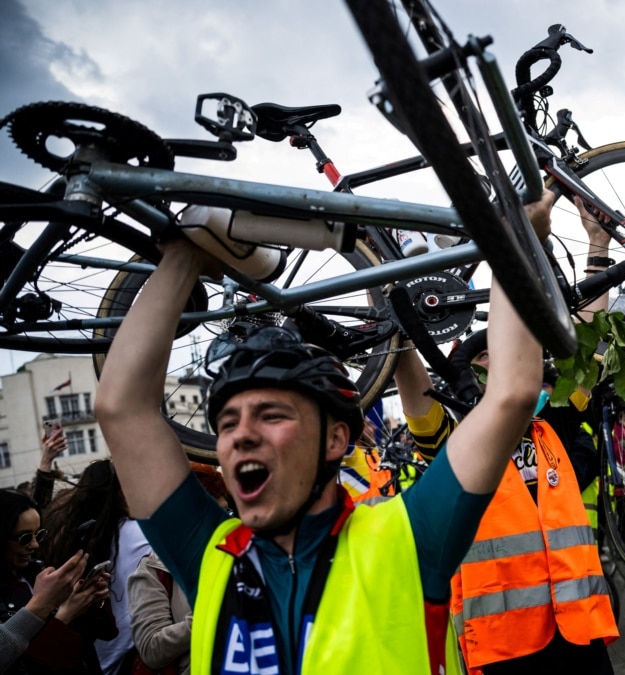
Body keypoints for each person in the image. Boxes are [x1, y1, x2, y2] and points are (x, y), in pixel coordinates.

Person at [95, 194, 553, 674]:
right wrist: (185, 256)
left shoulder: (405, 537)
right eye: (227, 423)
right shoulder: (213, 559)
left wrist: (517, 245)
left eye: (271, 415)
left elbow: (510, 395)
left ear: (336, 440)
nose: (240, 436)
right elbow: (122, 409)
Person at [393, 198, 618, 673]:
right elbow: (416, 400)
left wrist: (597, 246)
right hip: (504, 648)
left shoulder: (550, 424)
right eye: (483, 361)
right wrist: (388, 302)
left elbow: (587, 354)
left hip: (578, 631)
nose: (499, 364)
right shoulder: (456, 438)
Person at [40, 460, 152, 675]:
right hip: (129, 650)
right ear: (120, 492)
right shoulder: (141, 534)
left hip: (88, 652)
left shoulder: (67, 534)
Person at [126, 464, 230, 675]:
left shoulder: (241, 556)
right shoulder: (154, 570)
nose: (224, 522)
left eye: (226, 511)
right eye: (215, 514)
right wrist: (209, 615)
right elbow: (150, 648)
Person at [1, 488, 114, 674]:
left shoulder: (39, 571)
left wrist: (92, 599)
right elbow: (24, 667)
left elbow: (103, 633)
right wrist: (64, 615)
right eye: (25, 538)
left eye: (39, 535)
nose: (35, 545)